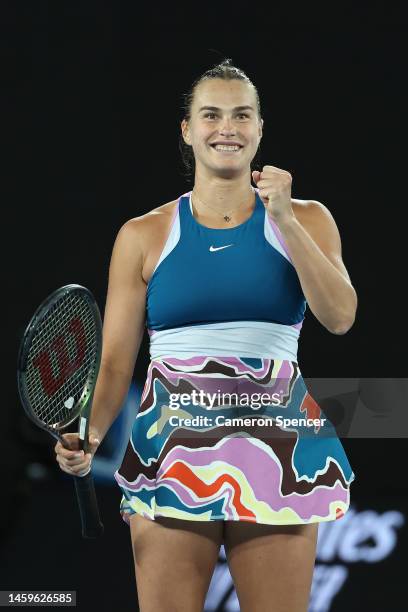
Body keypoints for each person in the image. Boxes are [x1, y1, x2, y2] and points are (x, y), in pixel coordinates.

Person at [54, 59, 357, 612]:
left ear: (259, 130)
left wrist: (285, 220)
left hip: (282, 452)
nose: (227, 128)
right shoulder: (142, 235)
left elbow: (340, 316)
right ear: (188, 130)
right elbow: (117, 363)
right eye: (211, 115)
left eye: (242, 116)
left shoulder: (308, 219)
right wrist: (90, 436)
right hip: (169, 454)